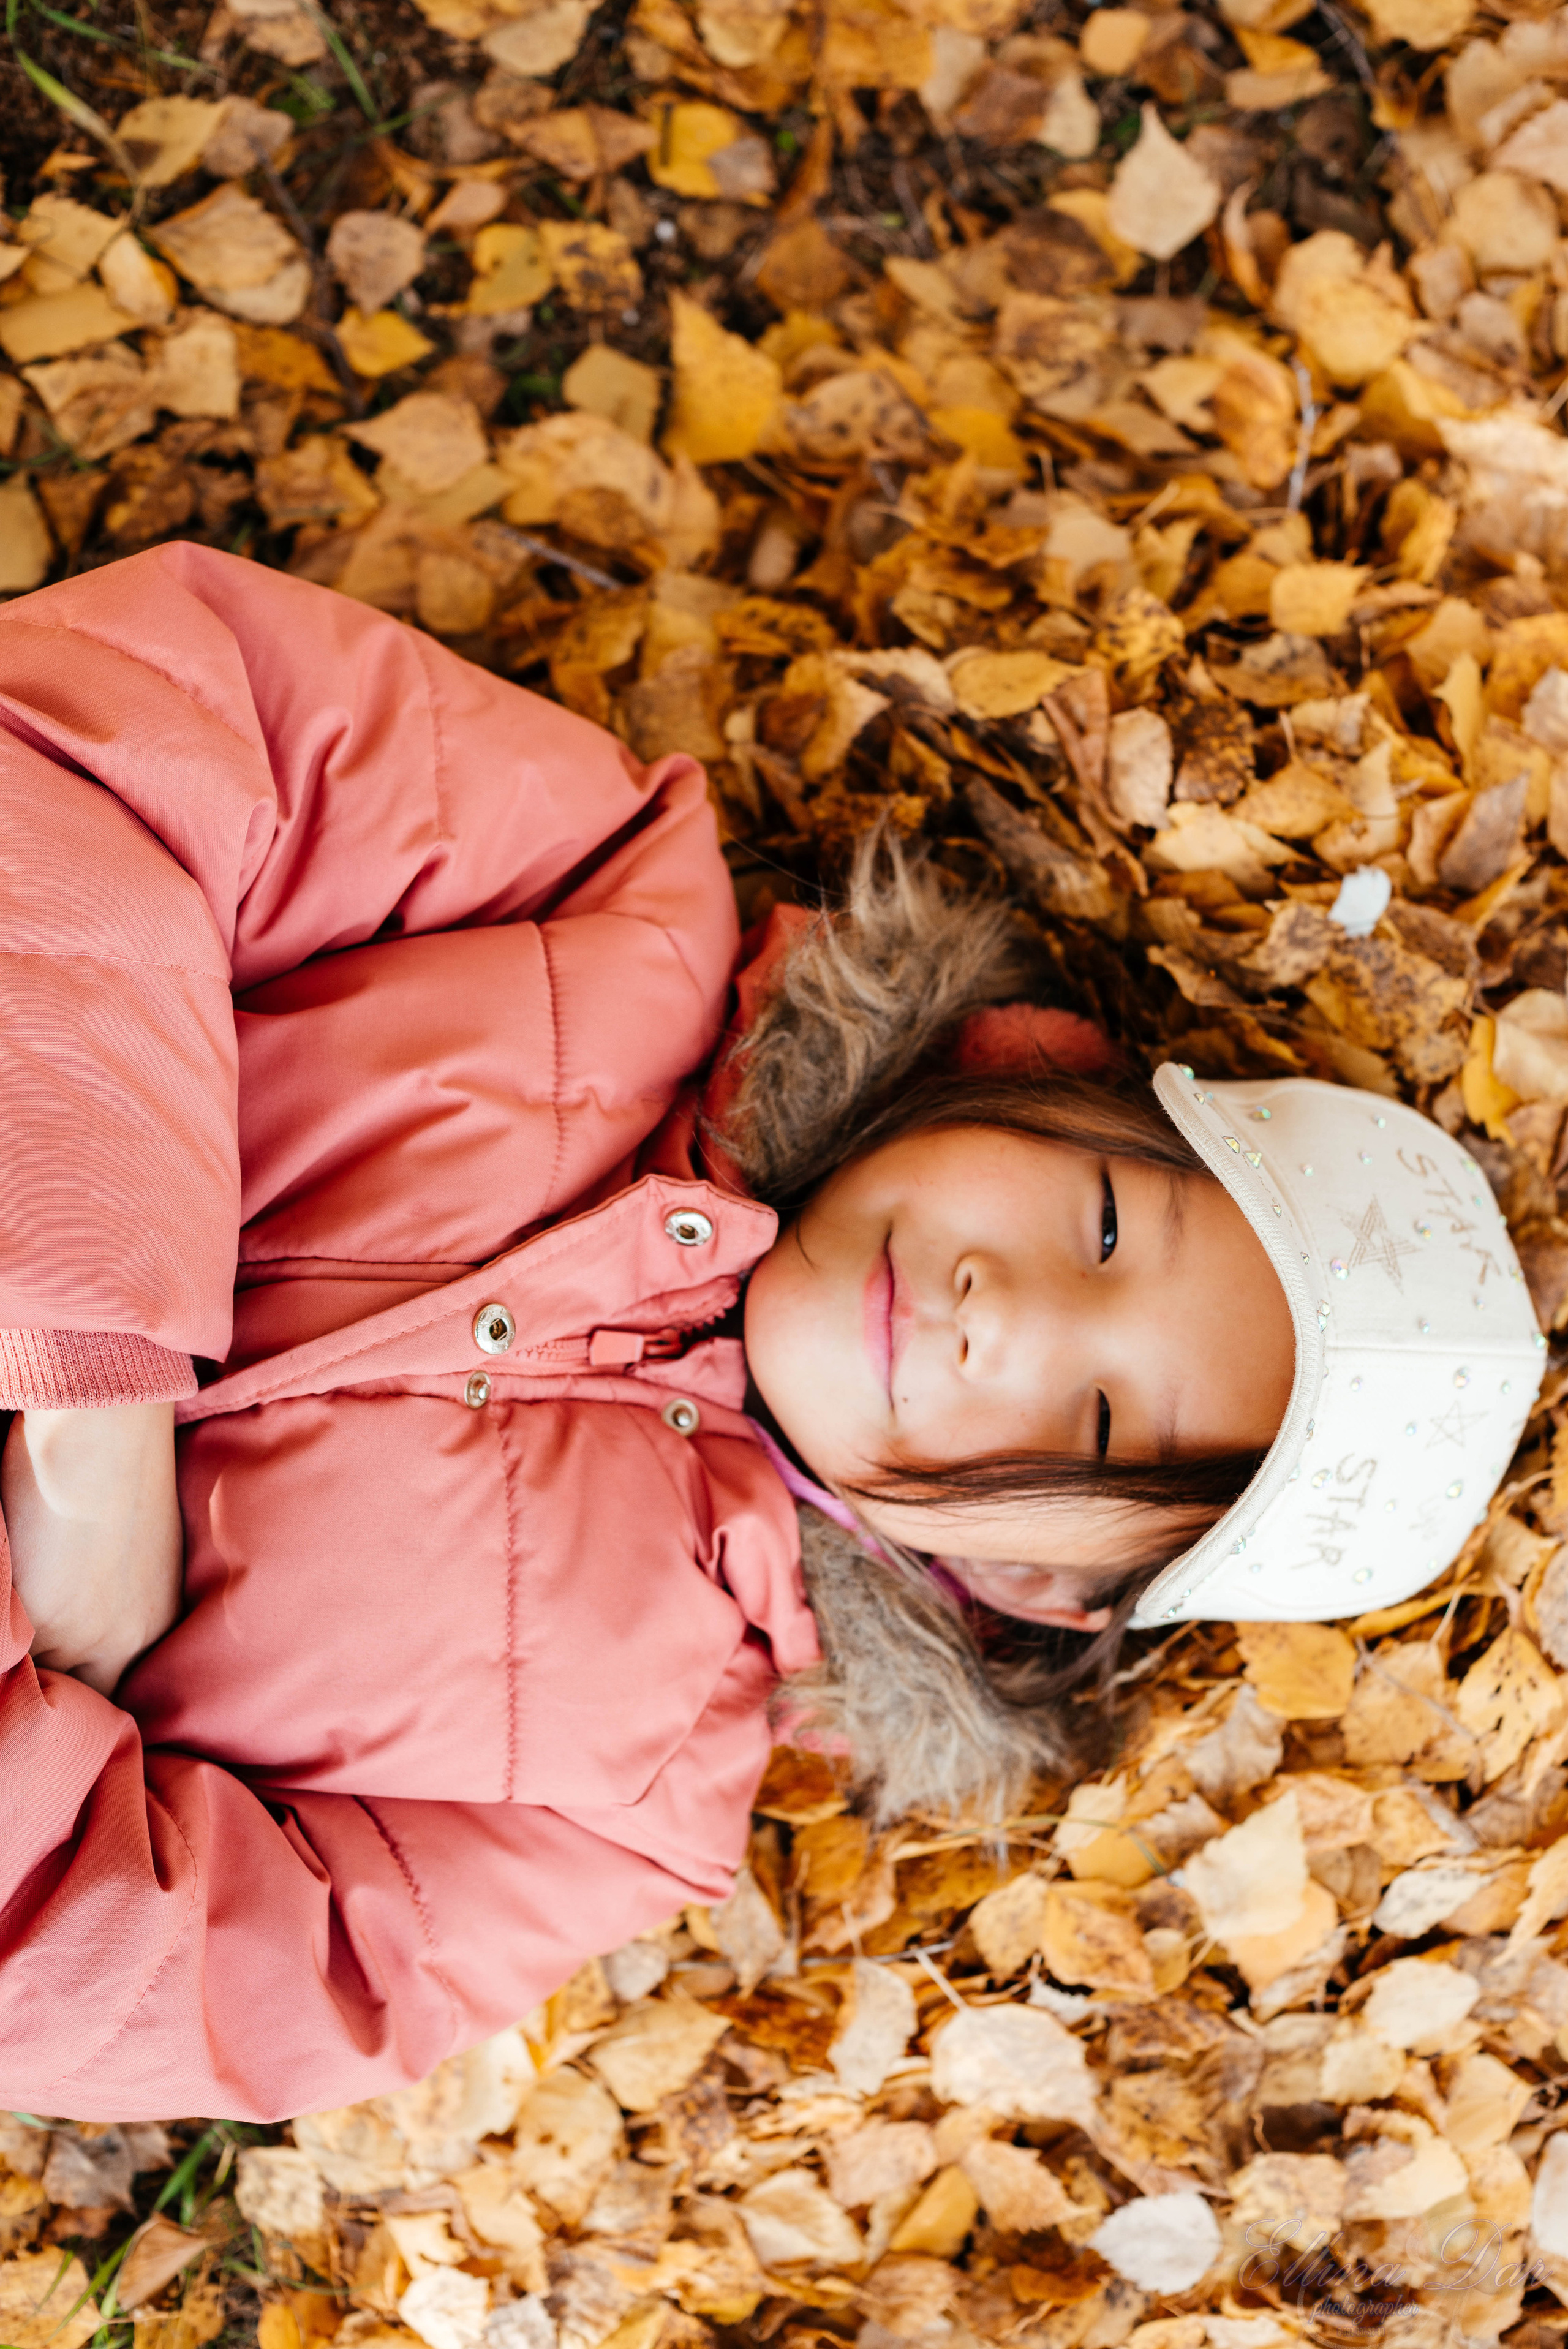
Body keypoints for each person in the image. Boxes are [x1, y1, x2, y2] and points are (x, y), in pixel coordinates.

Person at [0, 544, 1542, 2123]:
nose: (998, 1311)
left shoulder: (625, 1790)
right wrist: (94, 1403)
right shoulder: (600, 905)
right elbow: (83, 745)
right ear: (1039, 1065)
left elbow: (105, 1968)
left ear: (1036, 1589)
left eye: (1094, 1422)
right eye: (1100, 1226)